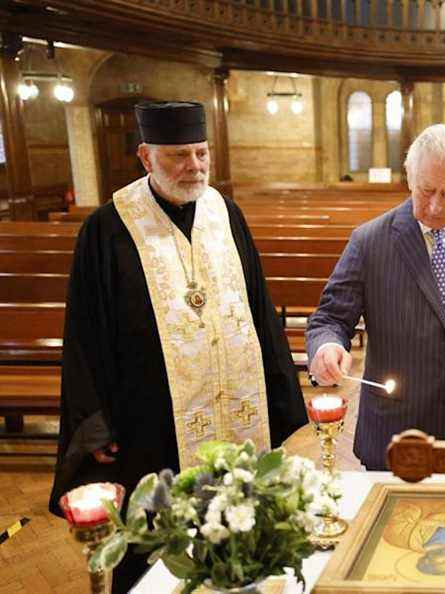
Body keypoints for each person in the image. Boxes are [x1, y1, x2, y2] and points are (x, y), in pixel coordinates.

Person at [48, 101, 308, 592]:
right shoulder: (108, 227)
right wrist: (95, 423)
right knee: (154, 550)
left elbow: (258, 308)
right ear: (146, 157)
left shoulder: (225, 213)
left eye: (201, 153)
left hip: (235, 413)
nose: (194, 166)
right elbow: (84, 335)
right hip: (150, 421)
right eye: (178, 156)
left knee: (241, 530)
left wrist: (279, 395)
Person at [306, 124, 445, 471]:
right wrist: (327, 347)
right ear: (411, 179)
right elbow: (329, 319)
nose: (433, 206)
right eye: (426, 190)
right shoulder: (370, 240)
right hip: (395, 432)